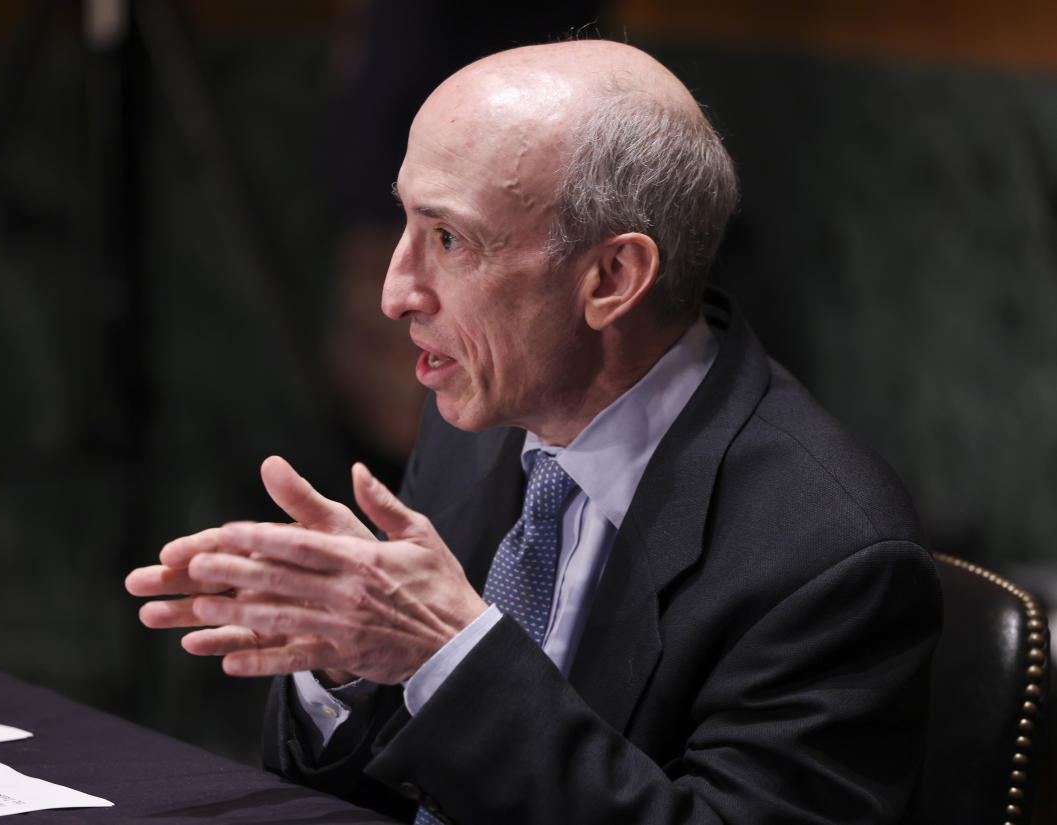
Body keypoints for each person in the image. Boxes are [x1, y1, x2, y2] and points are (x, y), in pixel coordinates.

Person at [126, 39, 941, 825]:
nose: (395, 291)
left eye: (447, 239)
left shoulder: (827, 554)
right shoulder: (474, 425)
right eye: (402, 221)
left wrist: (447, 654)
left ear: (612, 279)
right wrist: (346, 661)